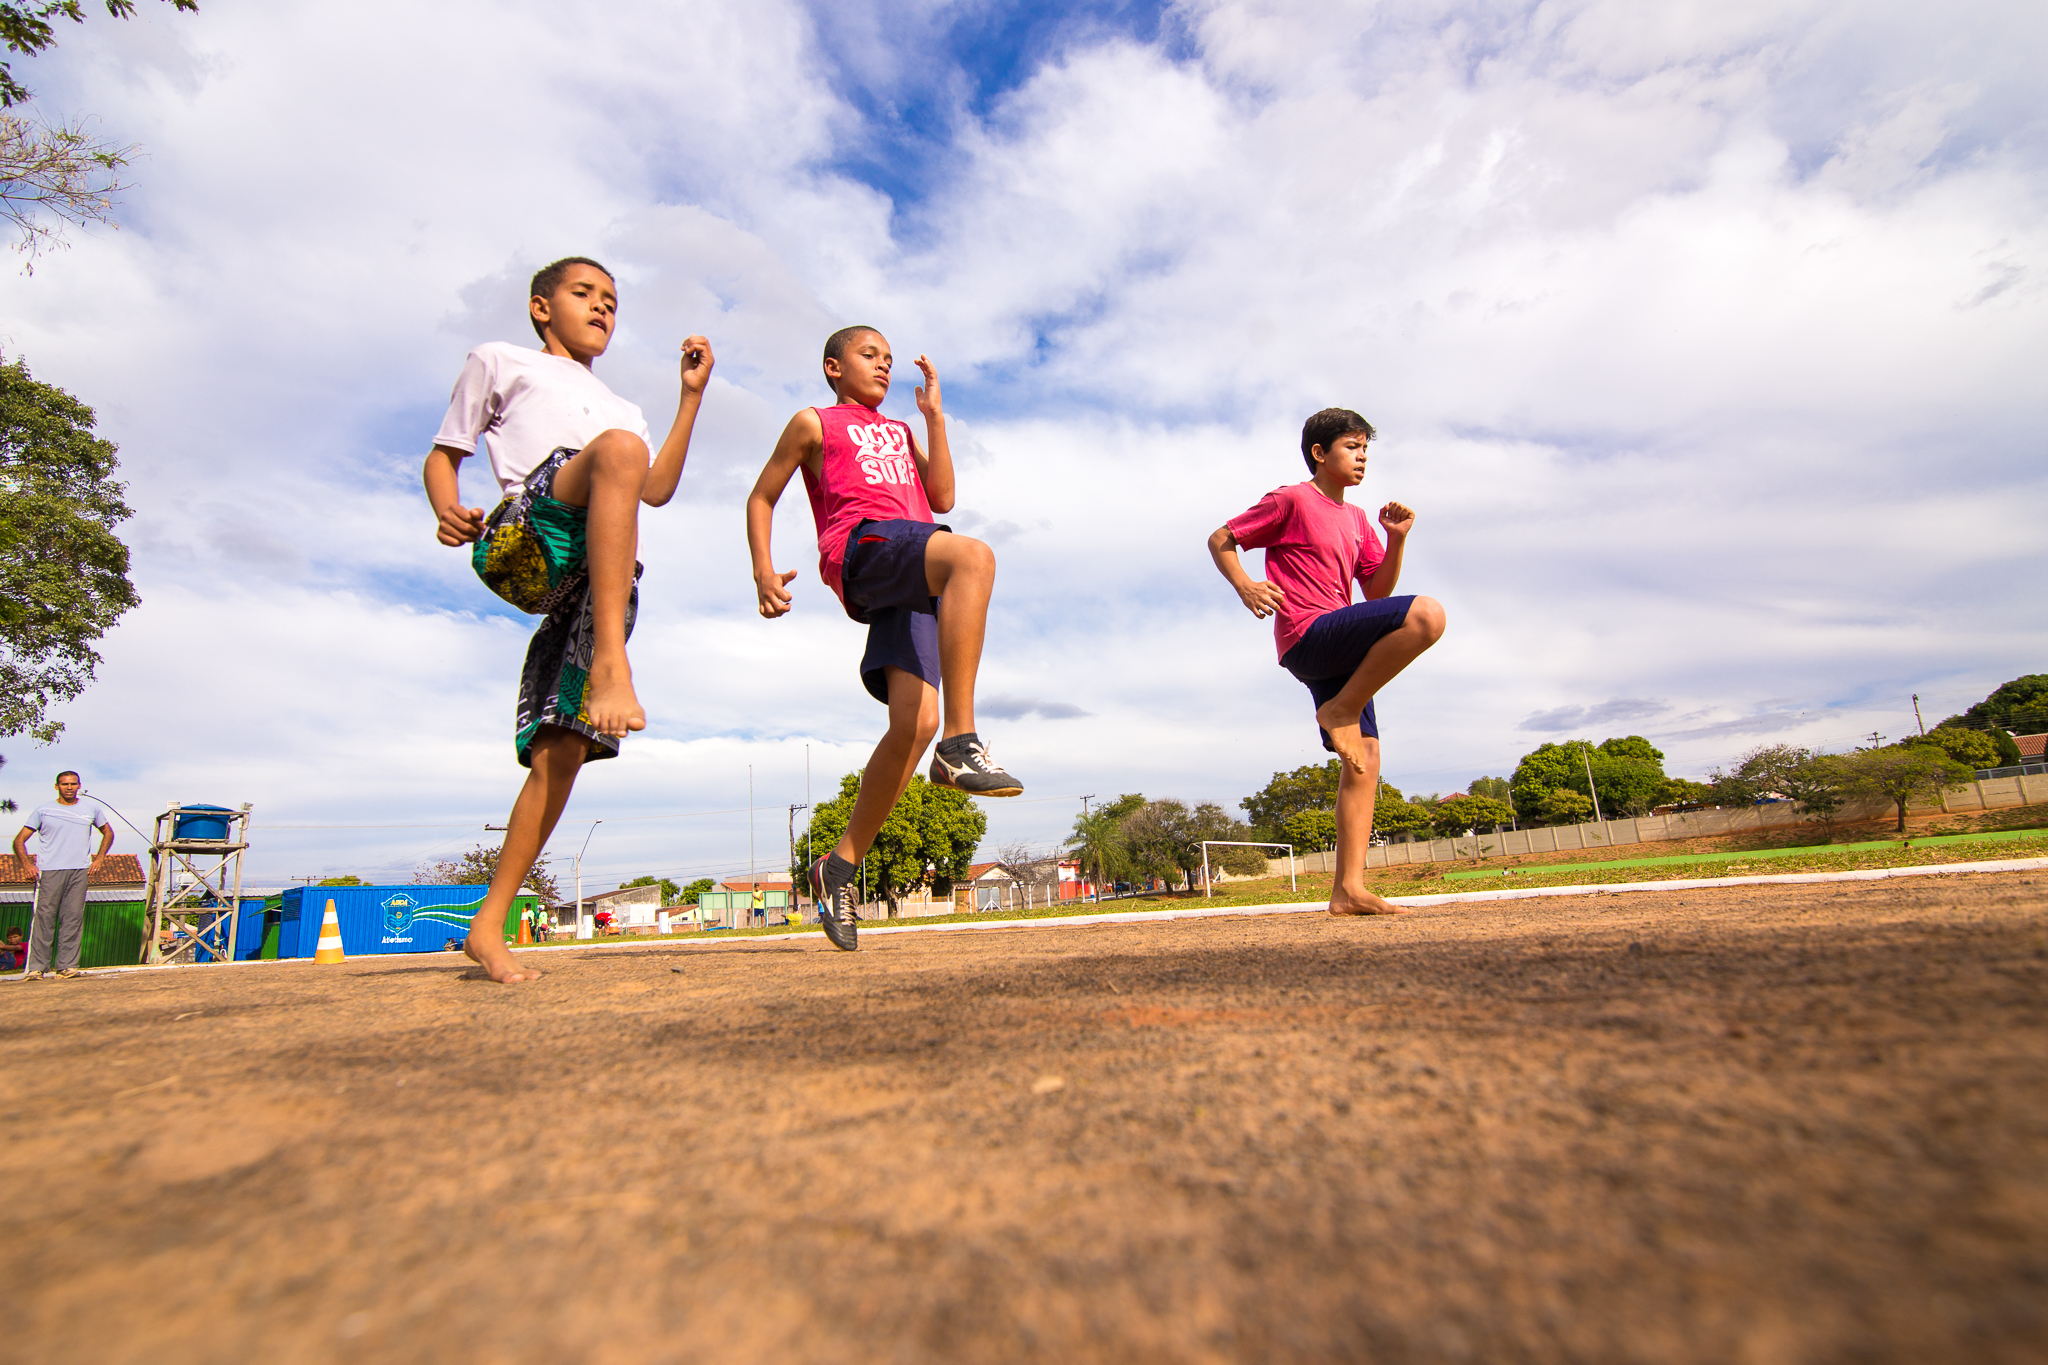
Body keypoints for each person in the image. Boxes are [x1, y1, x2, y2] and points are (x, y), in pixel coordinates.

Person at [423, 255, 714, 982]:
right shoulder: (502, 360)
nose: (602, 308)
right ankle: (614, 660)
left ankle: (487, 926)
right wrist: (446, 505)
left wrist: (689, 399)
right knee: (615, 452)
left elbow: (655, 489)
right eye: (585, 294)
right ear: (540, 306)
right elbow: (443, 454)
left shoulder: (626, 411)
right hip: (533, 531)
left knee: (561, 751)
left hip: (598, 578)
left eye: (613, 301)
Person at [745, 326, 1021, 951]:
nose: (884, 366)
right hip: (863, 544)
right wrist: (763, 568)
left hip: (913, 563)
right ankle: (964, 740)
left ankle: (838, 865)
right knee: (972, 557)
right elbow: (761, 497)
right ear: (832, 367)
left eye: (889, 360)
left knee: (912, 724)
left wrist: (934, 420)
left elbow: (944, 494)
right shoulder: (813, 423)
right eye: (870, 356)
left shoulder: (899, 429)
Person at [1207, 408, 1446, 917]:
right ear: (1320, 452)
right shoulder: (1291, 499)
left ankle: (1348, 889)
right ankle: (1341, 709)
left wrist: (1397, 538)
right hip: (1308, 633)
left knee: (1365, 760)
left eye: (1366, 450)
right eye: (1352, 447)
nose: (1362, 458)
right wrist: (1245, 584)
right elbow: (1221, 538)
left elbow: (1378, 590)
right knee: (1426, 616)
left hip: (1343, 643)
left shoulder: (1358, 519)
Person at [11, 770, 114, 979]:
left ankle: (67, 966)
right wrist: (27, 865)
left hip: (79, 870)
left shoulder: (92, 808)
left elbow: (108, 832)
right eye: (65, 784)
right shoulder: (44, 810)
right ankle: (37, 968)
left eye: (73, 784)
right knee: (44, 918)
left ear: (79, 786)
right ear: (56, 786)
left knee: (73, 918)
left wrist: (100, 858)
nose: (69, 787)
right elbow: (19, 840)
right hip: (50, 870)